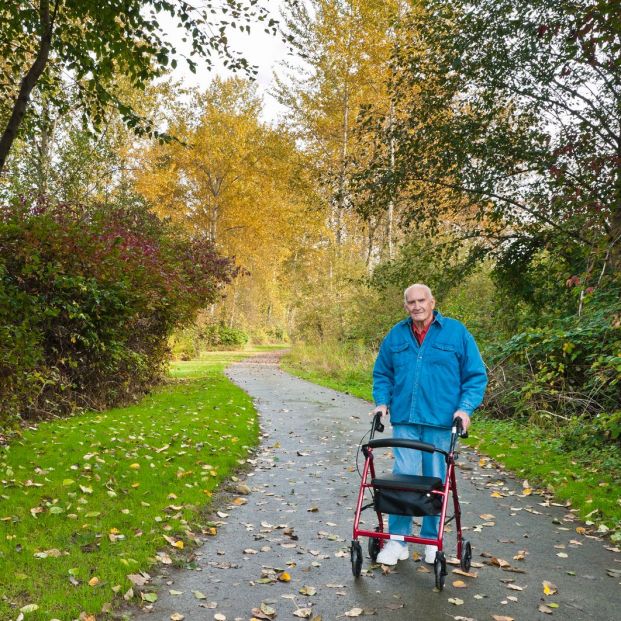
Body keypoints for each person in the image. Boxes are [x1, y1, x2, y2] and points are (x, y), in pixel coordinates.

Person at [372, 283, 487, 566]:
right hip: (406, 421)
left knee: (435, 483)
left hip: (440, 422)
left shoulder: (456, 332)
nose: (416, 306)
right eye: (411, 302)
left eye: (421, 300)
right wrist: (381, 401)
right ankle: (397, 542)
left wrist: (465, 409)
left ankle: (431, 542)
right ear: (405, 306)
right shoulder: (396, 335)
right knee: (403, 480)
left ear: (432, 302)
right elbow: (382, 373)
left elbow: (475, 376)